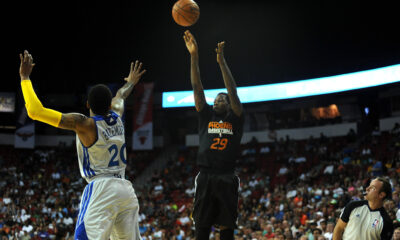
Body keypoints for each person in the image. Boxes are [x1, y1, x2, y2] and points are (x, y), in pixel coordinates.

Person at [19, 50, 146, 240]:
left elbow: (35, 111)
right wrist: (131, 82)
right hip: (125, 189)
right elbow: (121, 94)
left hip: (102, 188)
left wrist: (25, 77)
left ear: (87, 104)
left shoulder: (85, 124)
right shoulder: (117, 114)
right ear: (109, 105)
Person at [183, 30, 244, 240]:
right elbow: (196, 86)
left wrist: (221, 63)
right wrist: (194, 56)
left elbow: (232, 91)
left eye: (222, 99)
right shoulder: (205, 115)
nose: (218, 101)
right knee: (201, 226)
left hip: (227, 176)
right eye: (216, 99)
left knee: (227, 229)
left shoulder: (236, 118)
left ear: (229, 105)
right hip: (206, 175)